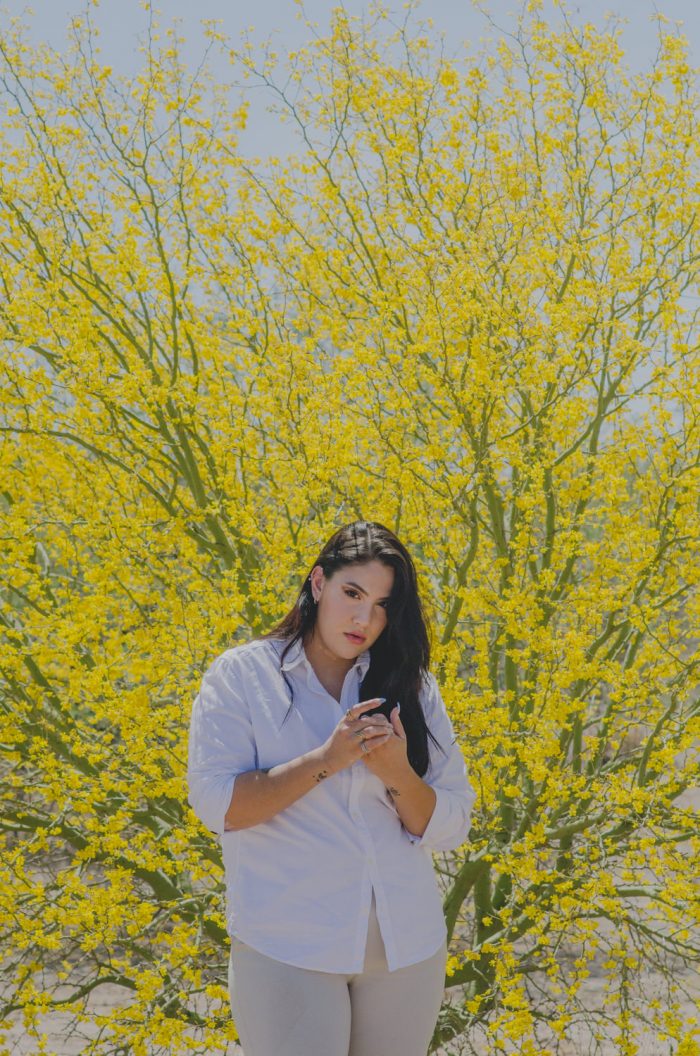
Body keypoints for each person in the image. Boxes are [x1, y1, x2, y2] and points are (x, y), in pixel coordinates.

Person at [187, 520, 476, 1056]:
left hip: (405, 948)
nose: (365, 619)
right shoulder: (242, 677)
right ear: (318, 583)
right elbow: (219, 806)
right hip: (288, 946)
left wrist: (396, 773)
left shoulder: (411, 684)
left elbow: (451, 824)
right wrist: (328, 758)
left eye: (384, 605)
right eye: (352, 593)